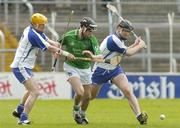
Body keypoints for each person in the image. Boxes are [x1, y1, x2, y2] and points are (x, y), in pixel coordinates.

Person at [10, 13, 75, 125]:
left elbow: (48, 41)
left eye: (44, 25)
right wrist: (65, 53)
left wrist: (56, 44)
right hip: (21, 66)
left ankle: (19, 110)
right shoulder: (32, 35)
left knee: (30, 90)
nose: (43, 27)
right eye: (41, 25)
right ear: (35, 24)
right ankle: (23, 118)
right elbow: (49, 47)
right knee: (35, 92)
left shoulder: (33, 30)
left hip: (25, 66)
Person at [81, 19, 148, 125]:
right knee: (90, 97)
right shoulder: (113, 40)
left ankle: (140, 116)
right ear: (118, 29)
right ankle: (80, 113)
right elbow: (128, 53)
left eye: (129, 32)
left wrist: (135, 44)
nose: (127, 34)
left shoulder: (119, 40)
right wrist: (139, 46)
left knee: (127, 91)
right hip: (100, 70)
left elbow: (122, 50)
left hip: (115, 69)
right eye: (125, 31)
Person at [58, 17, 102, 125]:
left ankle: (82, 114)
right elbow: (57, 45)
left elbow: (99, 57)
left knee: (88, 96)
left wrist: (91, 56)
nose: (90, 33)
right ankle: (76, 110)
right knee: (80, 92)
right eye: (89, 30)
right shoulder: (69, 36)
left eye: (92, 31)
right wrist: (62, 53)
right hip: (71, 66)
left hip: (85, 68)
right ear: (82, 27)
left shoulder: (92, 40)